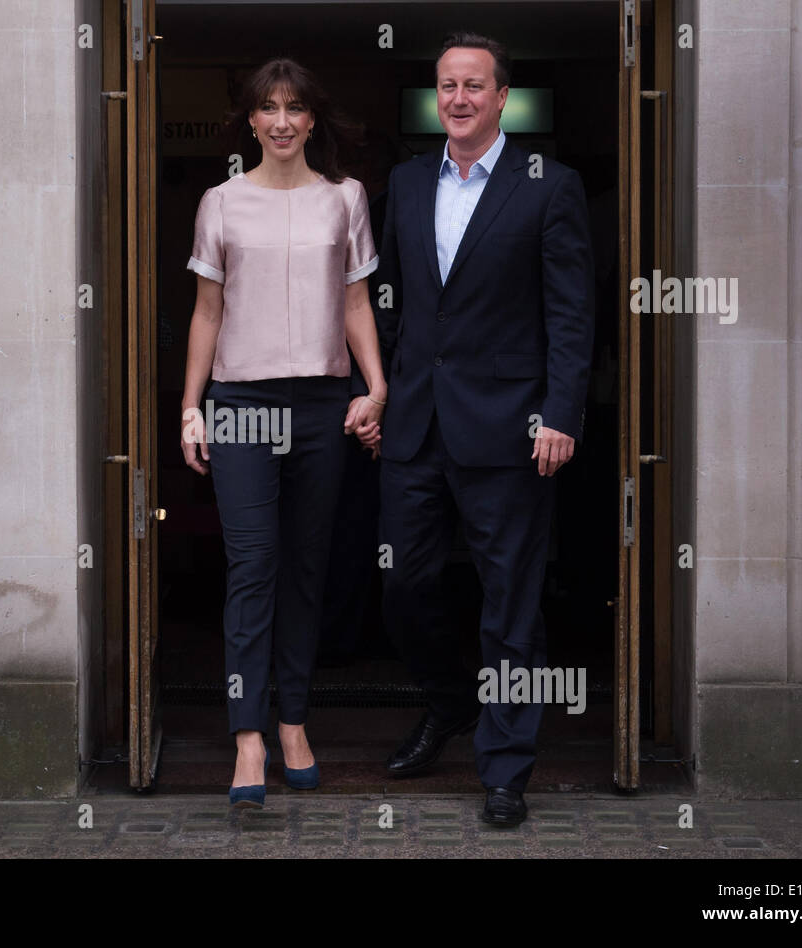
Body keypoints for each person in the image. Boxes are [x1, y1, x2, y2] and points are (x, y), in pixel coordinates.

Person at [368, 32, 595, 825]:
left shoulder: (549, 186)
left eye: (474, 85)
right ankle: (449, 700)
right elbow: (389, 303)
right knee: (403, 584)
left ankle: (505, 768)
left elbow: (571, 316)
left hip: (511, 428)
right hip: (416, 427)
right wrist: (379, 391)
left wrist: (561, 415)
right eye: (447, 86)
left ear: (503, 98)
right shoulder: (402, 182)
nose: (458, 98)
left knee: (511, 604)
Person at [180, 58, 386, 808]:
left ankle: (294, 721)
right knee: (254, 566)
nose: (282, 120)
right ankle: (247, 737)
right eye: (268, 107)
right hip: (239, 401)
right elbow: (207, 312)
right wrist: (190, 406)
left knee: (306, 569)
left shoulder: (345, 199)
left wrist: (377, 385)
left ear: (312, 118)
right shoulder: (222, 203)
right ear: (251, 121)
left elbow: (357, 300)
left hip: (322, 403)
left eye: (295, 106)